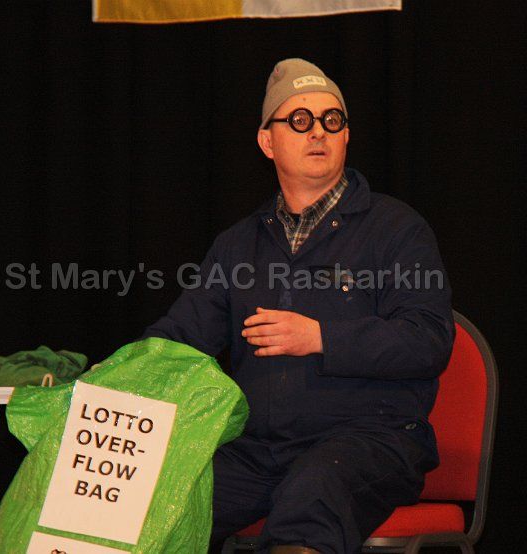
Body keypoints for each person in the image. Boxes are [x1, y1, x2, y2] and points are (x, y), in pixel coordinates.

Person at [144, 58, 454, 554]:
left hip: (371, 439)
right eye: (300, 120)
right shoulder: (239, 245)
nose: (318, 132)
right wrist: (112, 377)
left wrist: (320, 337)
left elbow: (428, 340)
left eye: (332, 120)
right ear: (267, 141)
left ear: (346, 136)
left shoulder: (397, 229)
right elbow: (180, 337)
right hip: (259, 450)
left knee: (310, 498)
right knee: (145, 502)